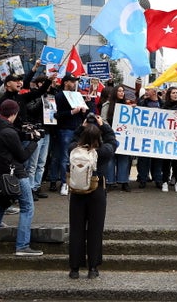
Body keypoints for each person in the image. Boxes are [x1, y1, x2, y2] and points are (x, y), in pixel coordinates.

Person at [0, 100, 42, 258]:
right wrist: (34, 141)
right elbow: (22, 156)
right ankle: (22, 245)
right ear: (14, 113)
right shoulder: (9, 132)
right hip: (16, 175)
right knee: (27, 208)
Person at [67, 115, 116, 279]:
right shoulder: (102, 152)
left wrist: (82, 127)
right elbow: (112, 141)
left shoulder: (73, 149)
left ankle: (74, 268)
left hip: (77, 192)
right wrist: (104, 127)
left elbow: (73, 138)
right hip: (97, 191)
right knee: (95, 230)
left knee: (76, 229)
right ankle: (93, 267)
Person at [52, 73, 91, 196]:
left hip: (78, 129)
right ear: (65, 82)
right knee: (65, 157)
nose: (74, 84)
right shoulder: (58, 96)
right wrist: (71, 112)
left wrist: (85, 109)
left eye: (75, 81)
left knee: (75, 156)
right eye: (72, 81)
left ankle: (72, 181)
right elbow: (56, 114)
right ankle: (64, 183)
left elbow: (83, 115)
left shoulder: (78, 95)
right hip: (65, 129)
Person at [101, 85, 134, 191]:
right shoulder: (107, 105)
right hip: (110, 136)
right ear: (115, 92)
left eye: (123, 91)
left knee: (124, 159)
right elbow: (103, 120)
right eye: (119, 91)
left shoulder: (127, 106)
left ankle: (124, 181)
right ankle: (110, 182)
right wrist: (110, 131)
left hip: (124, 137)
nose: (121, 93)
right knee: (110, 158)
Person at [160, 87, 177, 192]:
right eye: (173, 93)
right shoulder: (164, 108)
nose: (176, 95)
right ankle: (165, 182)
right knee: (166, 162)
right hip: (166, 139)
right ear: (169, 95)